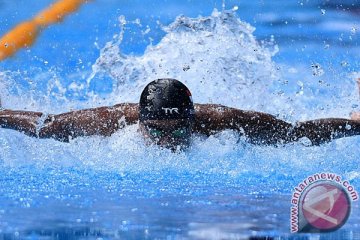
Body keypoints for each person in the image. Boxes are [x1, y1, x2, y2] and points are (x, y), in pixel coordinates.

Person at [0, 78, 359, 151]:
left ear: (192, 120)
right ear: (141, 121)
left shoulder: (220, 120)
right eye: (157, 131)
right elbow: (46, 127)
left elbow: (298, 133)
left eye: (178, 130)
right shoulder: (114, 120)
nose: (168, 140)